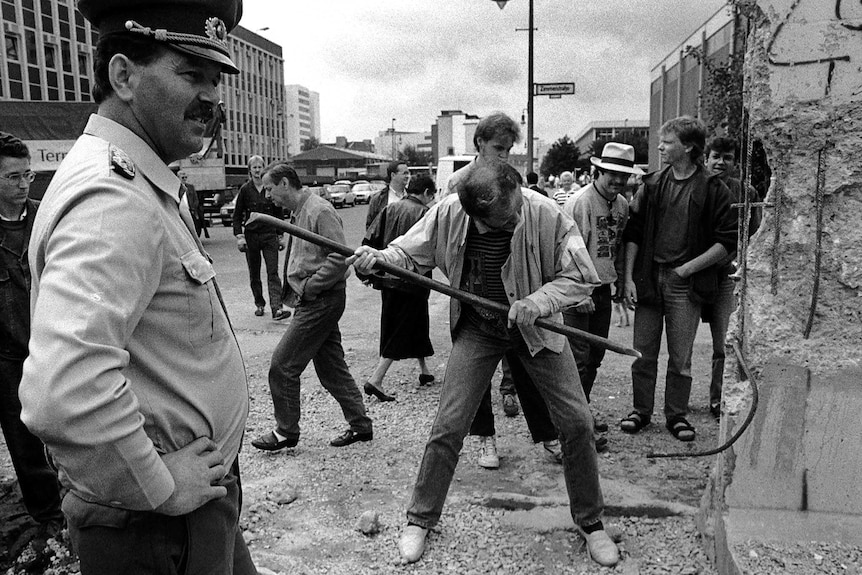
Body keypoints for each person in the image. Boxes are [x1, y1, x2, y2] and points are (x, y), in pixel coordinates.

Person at [19, 1, 257, 573]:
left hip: (189, 513)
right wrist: (156, 484)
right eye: (190, 74)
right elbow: (65, 391)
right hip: (158, 528)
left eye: (216, 80)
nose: (212, 99)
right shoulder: (113, 197)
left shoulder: (140, 178)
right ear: (123, 76)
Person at [349, 163, 620, 568]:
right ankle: (420, 519)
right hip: (479, 326)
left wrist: (539, 301)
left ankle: (591, 521)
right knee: (449, 423)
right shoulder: (448, 213)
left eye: (515, 211)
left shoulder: (544, 213)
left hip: (536, 328)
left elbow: (582, 274)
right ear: (473, 215)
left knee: (577, 422)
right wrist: (379, 258)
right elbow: (407, 252)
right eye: (503, 221)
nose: (514, 219)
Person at [621, 116, 737, 442]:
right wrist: (628, 278)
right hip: (648, 279)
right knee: (642, 353)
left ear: (687, 147)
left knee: (681, 358)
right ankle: (640, 411)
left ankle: (677, 415)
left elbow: (727, 242)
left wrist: (688, 269)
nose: (660, 146)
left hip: (684, 284)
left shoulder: (714, 189)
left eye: (667, 142)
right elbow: (634, 232)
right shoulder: (653, 184)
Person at [251, 164, 373, 451]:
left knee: (282, 366)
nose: (268, 196)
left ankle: (285, 431)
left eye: (269, 189)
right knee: (331, 369)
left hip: (320, 301)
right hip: (316, 300)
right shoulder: (300, 211)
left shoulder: (319, 210)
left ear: (284, 183)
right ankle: (361, 426)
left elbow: (340, 256)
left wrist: (309, 287)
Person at [0, 133, 64, 539]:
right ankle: (48, 516)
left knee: (67, 430)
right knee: (23, 442)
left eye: (28, 175)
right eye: (12, 177)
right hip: (6, 359)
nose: (24, 184)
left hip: (51, 348)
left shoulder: (48, 217)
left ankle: (79, 503)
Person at [562, 142, 641, 453]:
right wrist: (577, 291)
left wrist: (621, 282)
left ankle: (581, 411)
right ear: (599, 171)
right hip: (577, 288)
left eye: (623, 175)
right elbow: (566, 249)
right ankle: (572, 426)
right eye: (612, 174)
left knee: (595, 357)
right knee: (577, 360)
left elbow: (618, 246)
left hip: (603, 288)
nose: (617, 181)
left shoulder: (621, 205)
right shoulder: (581, 202)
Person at [362, 175, 437, 401]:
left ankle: (424, 370)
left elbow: (370, 237)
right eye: (431, 196)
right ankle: (376, 378)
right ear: (425, 192)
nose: (431, 200)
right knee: (403, 327)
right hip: (414, 281)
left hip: (388, 277)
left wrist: (368, 271)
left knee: (413, 323)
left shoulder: (390, 209)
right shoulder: (424, 213)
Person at [703, 136, 761, 418]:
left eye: (727, 157)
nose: (720, 162)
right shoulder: (697, 186)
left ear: (735, 163)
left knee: (723, 341)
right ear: (706, 159)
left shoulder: (746, 192)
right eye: (715, 156)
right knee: (679, 346)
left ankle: (719, 398)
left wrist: (741, 260)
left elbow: (755, 234)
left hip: (727, 274)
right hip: (696, 272)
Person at [233, 154, 290, 320]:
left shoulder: (269, 188)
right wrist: (239, 236)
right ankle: (259, 303)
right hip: (251, 237)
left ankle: (277, 308)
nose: (257, 170)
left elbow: (279, 213)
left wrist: (281, 235)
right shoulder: (245, 190)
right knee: (254, 273)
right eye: (254, 167)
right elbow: (237, 216)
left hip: (269, 235)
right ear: (250, 170)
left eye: (260, 167)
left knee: (273, 272)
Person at [366, 160, 409, 230]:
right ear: (393, 175)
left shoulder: (411, 197)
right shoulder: (378, 199)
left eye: (408, 173)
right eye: (404, 173)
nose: (407, 176)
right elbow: (370, 227)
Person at [179, 169, 207, 238]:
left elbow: (196, 199)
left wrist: (193, 208)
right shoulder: (176, 188)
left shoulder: (190, 187)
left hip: (191, 210)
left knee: (195, 225)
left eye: (186, 177)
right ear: (178, 177)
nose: (184, 179)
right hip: (181, 211)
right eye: (183, 177)